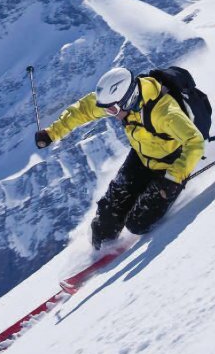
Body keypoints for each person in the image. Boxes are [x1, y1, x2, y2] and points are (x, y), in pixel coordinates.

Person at [35, 67, 205, 249]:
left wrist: (173, 179)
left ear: (129, 98)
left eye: (113, 109)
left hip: (169, 166)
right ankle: (104, 245)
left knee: (137, 223)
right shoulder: (116, 104)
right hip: (142, 158)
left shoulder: (164, 113)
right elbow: (83, 110)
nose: (110, 113)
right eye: (107, 110)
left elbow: (195, 141)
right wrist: (51, 133)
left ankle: (162, 198)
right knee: (103, 225)